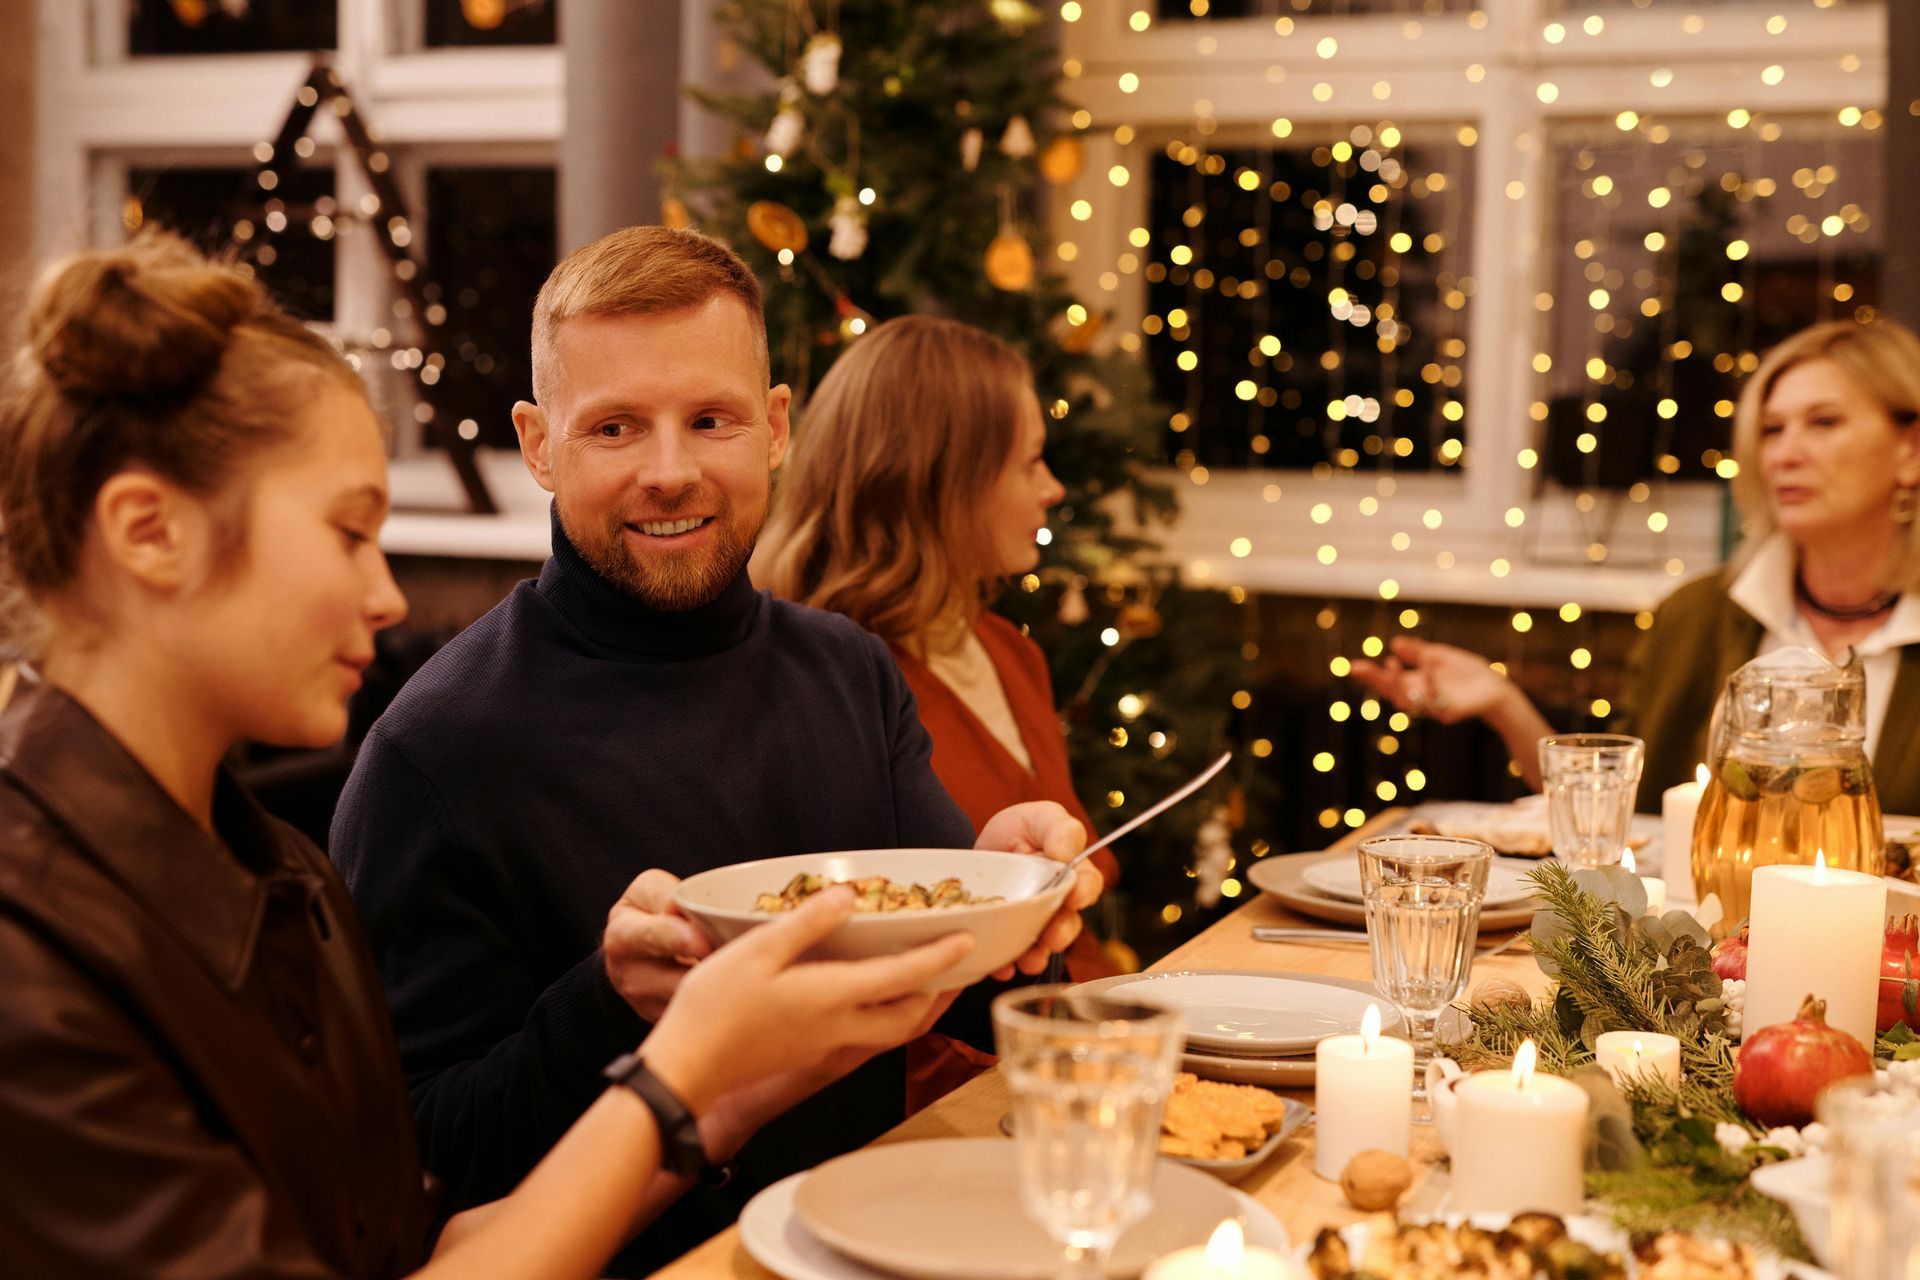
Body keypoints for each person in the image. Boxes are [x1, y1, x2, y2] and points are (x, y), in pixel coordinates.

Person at [0, 232, 976, 1278]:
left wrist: (722, 1085)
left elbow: (411, 1242)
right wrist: (674, 1071)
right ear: (150, 533)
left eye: (709, 419)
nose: (386, 599)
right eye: (348, 531)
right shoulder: (34, 950)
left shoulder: (270, 870)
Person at [328, 226, 1103, 1272]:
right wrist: (608, 1004)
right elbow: (412, 1163)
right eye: (613, 427)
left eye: (710, 419)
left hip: (882, 1239)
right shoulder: (437, 752)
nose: (670, 469)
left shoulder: (848, 670)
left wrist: (1014, 881)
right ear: (538, 443)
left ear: (776, 427)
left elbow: (948, 982)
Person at [756, 315, 1122, 1108]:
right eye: (1028, 463)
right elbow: (860, 1008)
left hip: (1085, 1049)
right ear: (939, 481)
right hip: (971, 1104)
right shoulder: (824, 689)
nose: (1053, 487)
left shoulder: (1007, 650)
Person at [1351, 317, 1920, 812]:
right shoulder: (1698, 615)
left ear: (1910, 450)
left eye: (1823, 423)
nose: (1784, 453)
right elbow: (1616, 810)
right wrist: (1504, 704)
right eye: (1772, 430)